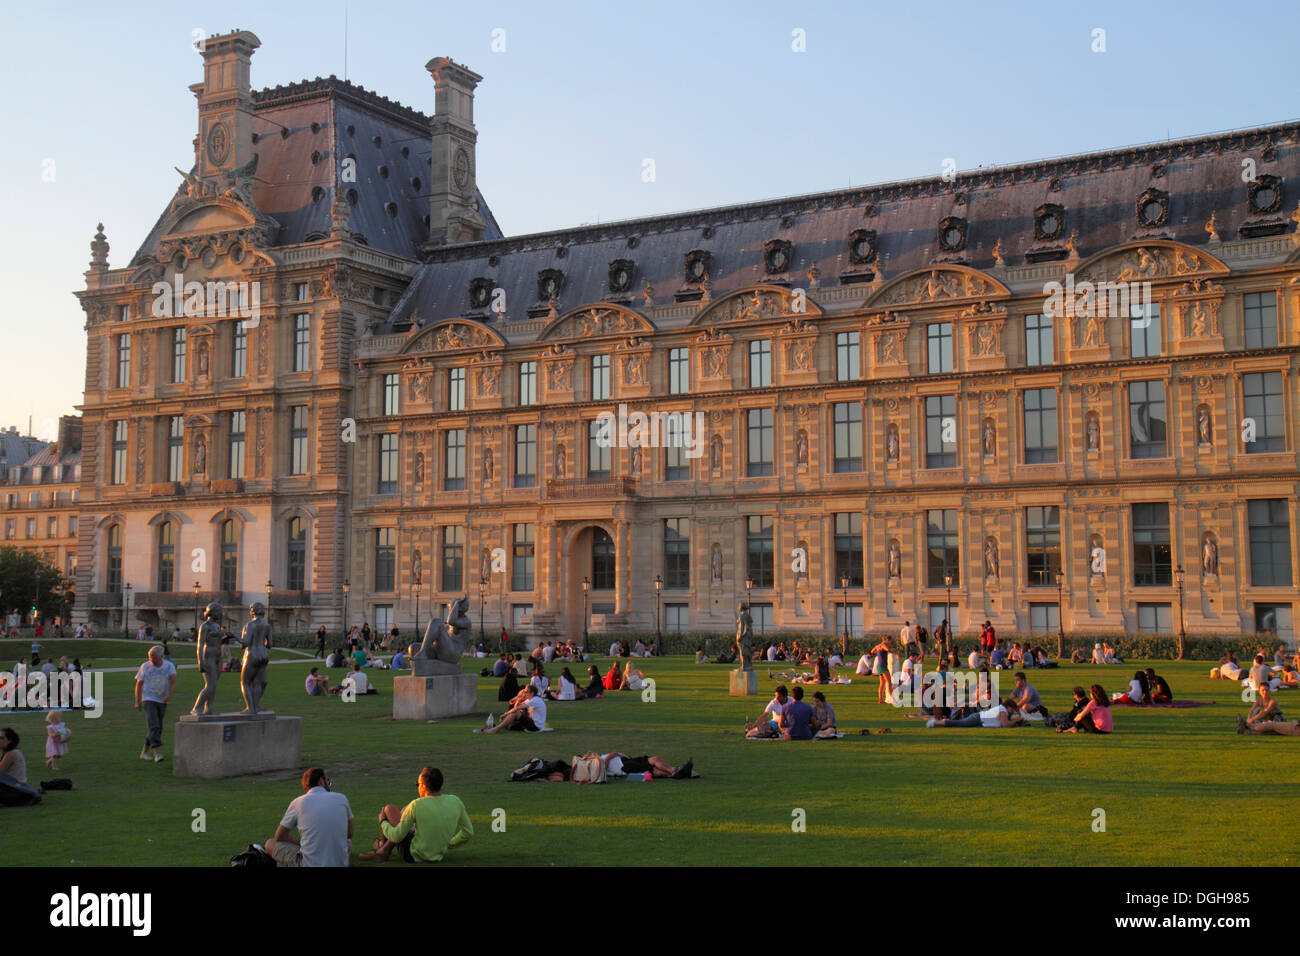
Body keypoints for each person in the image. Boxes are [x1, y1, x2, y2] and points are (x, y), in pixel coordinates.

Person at [363, 766, 473, 863]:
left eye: (417, 784)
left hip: (413, 855)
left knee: (389, 809)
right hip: (438, 854)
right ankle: (383, 849)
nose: (417, 787)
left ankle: (382, 848)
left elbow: (397, 836)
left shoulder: (417, 805)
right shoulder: (455, 801)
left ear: (424, 786)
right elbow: (468, 832)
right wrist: (446, 843)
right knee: (405, 810)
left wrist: (383, 821)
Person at [266, 767, 354, 867]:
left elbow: (280, 836)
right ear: (321, 781)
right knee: (347, 842)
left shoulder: (298, 802)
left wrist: (299, 843)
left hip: (309, 863)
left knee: (270, 843)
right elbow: (349, 833)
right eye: (327, 781)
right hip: (339, 862)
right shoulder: (341, 798)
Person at [134, 645, 177, 763]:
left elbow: (173, 682)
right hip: (148, 698)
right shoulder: (145, 666)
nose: (152, 660)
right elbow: (138, 684)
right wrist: (137, 701)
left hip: (162, 700)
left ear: (161, 657)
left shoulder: (169, 666)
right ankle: (157, 754)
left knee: (157, 728)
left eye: (154, 658)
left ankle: (144, 752)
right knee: (154, 725)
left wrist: (169, 695)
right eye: (150, 658)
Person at [480, 685, 548, 733]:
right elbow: (514, 705)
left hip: (536, 727)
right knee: (511, 721)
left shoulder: (535, 700)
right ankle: (496, 727)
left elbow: (516, 709)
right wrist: (520, 699)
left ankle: (495, 729)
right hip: (532, 723)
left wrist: (504, 715)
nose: (524, 693)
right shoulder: (530, 700)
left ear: (532, 693)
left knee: (515, 713)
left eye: (526, 692)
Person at [928, 697, 1024, 728]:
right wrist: (1016, 721)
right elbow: (1005, 725)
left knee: (959, 722)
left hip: (979, 718)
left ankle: (936, 722)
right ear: (1008, 707)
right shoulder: (1003, 710)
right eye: (1012, 709)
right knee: (958, 723)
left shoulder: (1002, 709)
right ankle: (935, 722)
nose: (1011, 711)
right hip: (978, 718)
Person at [605, 753, 694, 779]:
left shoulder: (597, 759)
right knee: (653, 769)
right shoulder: (597, 764)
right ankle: (675, 771)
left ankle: (675, 771)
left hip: (626, 761)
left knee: (655, 759)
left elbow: (614, 754)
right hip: (623, 766)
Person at [869, 638, 893, 704]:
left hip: (880, 666)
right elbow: (887, 649)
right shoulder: (883, 645)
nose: (890, 643)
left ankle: (880, 700)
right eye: (890, 641)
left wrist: (878, 652)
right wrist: (895, 653)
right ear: (886, 640)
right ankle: (893, 699)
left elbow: (871, 651)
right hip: (883, 667)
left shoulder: (877, 646)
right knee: (889, 682)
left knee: (882, 684)